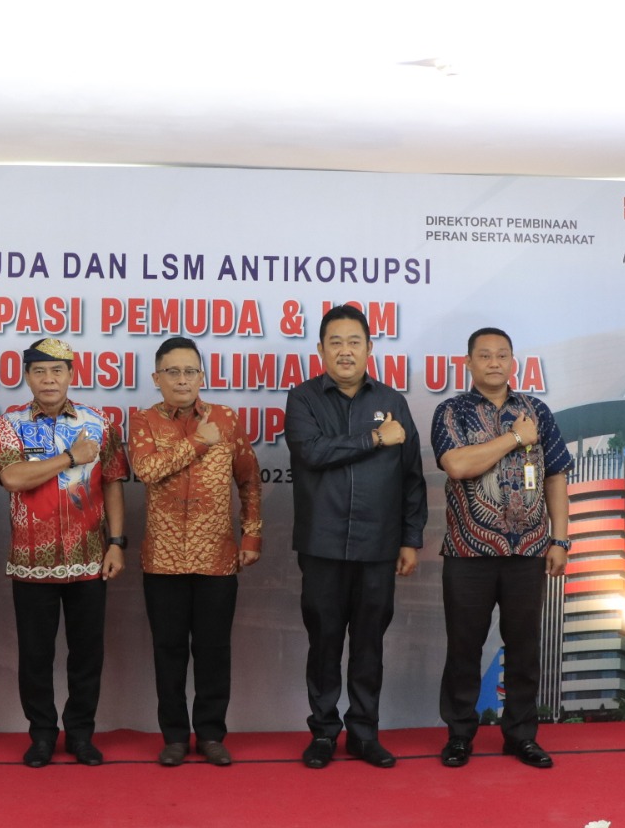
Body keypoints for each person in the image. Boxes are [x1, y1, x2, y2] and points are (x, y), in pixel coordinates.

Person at [285, 304, 425, 769]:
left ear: (369, 348)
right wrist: (374, 438)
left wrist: (410, 539)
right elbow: (313, 451)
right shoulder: (303, 399)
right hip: (322, 545)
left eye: (354, 342)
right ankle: (324, 733)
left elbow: (412, 477)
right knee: (324, 642)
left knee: (369, 644)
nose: (345, 351)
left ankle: (364, 733)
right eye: (336, 342)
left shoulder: (393, 402)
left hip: (378, 546)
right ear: (321, 349)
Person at [430, 327, 571, 771]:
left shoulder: (537, 411)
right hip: (467, 553)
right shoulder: (451, 412)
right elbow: (457, 465)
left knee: (525, 650)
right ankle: (459, 736)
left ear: (513, 362)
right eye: (485, 355)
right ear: (468, 363)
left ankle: (522, 736)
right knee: (464, 649)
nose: (494, 362)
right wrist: (514, 438)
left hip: (529, 551)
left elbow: (556, 476)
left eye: (502, 355)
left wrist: (560, 539)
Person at [128, 336, 263, 767]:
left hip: (217, 557)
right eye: (173, 372)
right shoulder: (143, 420)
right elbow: (147, 470)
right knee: (168, 650)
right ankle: (173, 736)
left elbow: (249, 480)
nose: (182, 380)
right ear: (157, 378)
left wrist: (251, 536)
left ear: (202, 376)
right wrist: (198, 442)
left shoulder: (226, 419)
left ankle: (210, 734)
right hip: (163, 559)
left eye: (190, 371)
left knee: (213, 650)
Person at [0, 337, 127, 768]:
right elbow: (13, 478)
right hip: (32, 562)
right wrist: (71, 457)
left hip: (90, 557)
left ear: (71, 374)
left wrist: (117, 543)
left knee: (87, 655)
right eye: (39, 371)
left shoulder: (99, 423)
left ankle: (81, 734)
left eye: (57, 371)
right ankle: (42, 736)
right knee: (36, 656)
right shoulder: (10, 424)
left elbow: (113, 483)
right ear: (27, 376)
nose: (48, 379)